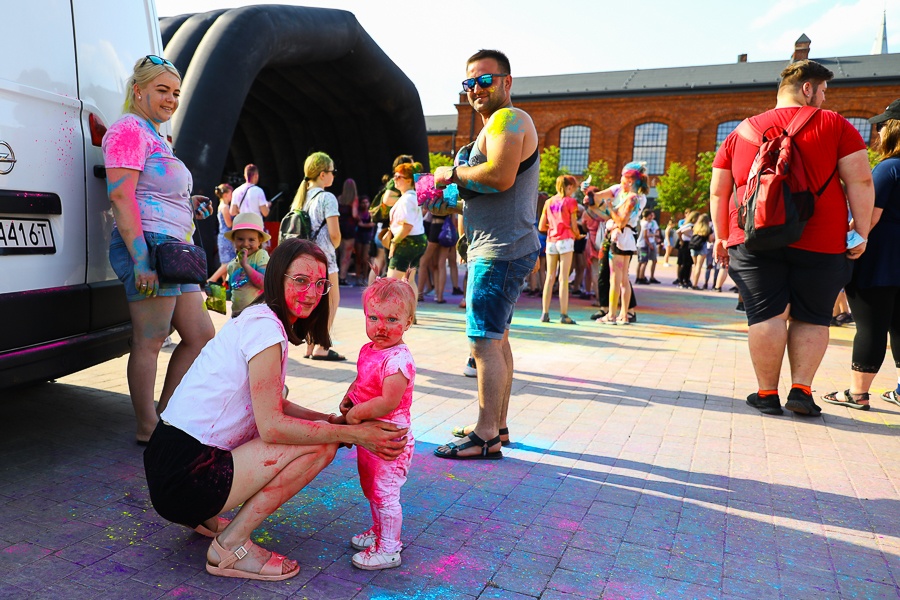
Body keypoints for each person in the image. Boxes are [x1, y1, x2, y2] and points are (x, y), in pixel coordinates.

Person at [142, 238, 409, 582]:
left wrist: (328, 420)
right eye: (300, 280)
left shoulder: (258, 318)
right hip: (185, 478)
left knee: (321, 433)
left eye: (319, 284)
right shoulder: (265, 328)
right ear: (277, 277)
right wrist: (353, 433)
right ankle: (230, 546)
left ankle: (207, 516)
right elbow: (272, 426)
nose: (311, 293)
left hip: (168, 465)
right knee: (322, 445)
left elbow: (272, 403)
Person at [710, 59, 874, 417]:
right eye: (824, 92)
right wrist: (860, 231)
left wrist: (722, 236)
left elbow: (720, 192)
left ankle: (766, 394)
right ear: (807, 88)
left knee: (765, 314)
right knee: (813, 316)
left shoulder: (741, 131)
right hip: (822, 238)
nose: (825, 100)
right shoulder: (836, 125)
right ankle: (800, 391)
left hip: (753, 236)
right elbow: (860, 181)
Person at [429, 49, 540, 459]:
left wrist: (451, 173)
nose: (476, 88)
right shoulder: (493, 127)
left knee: (482, 343)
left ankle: (485, 435)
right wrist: (446, 195)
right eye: (469, 82)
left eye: (485, 80)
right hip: (498, 244)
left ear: (506, 82)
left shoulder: (509, 119)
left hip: (501, 249)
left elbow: (499, 174)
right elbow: (488, 189)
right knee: (498, 338)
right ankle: (498, 424)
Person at [103, 55, 216, 445]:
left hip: (172, 249)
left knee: (201, 334)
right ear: (139, 91)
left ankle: (166, 415)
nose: (171, 99)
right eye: (162, 90)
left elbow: (154, 190)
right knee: (149, 340)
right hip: (148, 247)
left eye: (176, 93)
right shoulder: (128, 131)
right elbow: (120, 195)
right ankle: (148, 426)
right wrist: (140, 260)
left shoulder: (153, 134)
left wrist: (190, 202)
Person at [822, 100, 900, 410]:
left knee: (871, 326)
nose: (878, 131)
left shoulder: (889, 168)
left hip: (880, 258)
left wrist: (849, 235)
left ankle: (857, 393)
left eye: (883, 125)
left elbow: (870, 216)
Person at [338, 277, 417, 570]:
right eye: (374, 317)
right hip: (369, 435)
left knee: (385, 493)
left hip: (389, 439)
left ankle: (389, 548)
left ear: (408, 322)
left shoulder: (398, 359)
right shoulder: (369, 349)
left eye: (391, 319)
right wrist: (350, 396)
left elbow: (388, 401)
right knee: (371, 487)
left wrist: (356, 415)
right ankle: (380, 531)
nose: (380, 326)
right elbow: (362, 379)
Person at [291, 152, 344, 360]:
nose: (334, 175)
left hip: (305, 258)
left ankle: (309, 345)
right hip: (325, 259)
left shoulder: (301, 198)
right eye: (332, 171)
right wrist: (335, 245)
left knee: (312, 302)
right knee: (331, 301)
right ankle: (322, 346)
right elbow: (334, 234)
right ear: (323, 174)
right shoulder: (326, 198)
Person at [593, 162, 649, 325]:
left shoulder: (631, 198)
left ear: (630, 181)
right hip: (628, 239)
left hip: (620, 239)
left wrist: (609, 209)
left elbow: (621, 221)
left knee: (615, 279)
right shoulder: (635, 197)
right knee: (624, 279)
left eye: (623, 179)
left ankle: (611, 314)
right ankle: (624, 314)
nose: (620, 182)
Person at [538, 175, 581, 324]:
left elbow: (541, 226)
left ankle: (545, 313)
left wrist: (553, 227)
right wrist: (578, 235)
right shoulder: (571, 202)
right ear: (569, 187)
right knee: (563, 278)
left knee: (550, 277)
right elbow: (574, 225)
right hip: (566, 240)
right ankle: (564, 314)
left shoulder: (548, 202)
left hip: (551, 240)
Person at [385, 162, 428, 299]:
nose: (395, 179)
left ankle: (392, 313)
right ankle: (410, 312)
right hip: (416, 241)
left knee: (391, 283)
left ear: (409, 180)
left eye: (399, 177)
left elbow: (407, 226)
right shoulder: (411, 197)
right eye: (394, 176)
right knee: (409, 280)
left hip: (407, 242)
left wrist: (394, 242)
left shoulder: (407, 199)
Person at [226, 213, 270, 318]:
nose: (245, 244)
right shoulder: (232, 264)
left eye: (251, 240)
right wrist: (216, 293)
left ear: (259, 241)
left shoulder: (260, 255)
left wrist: (245, 265)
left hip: (257, 313)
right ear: (234, 240)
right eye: (240, 239)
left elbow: (264, 284)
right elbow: (234, 292)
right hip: (237, 315)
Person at [208, 183, 234, 285]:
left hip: (222, 237)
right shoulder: (225, 207)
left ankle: (225, 285)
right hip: (226, 237)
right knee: (228, 263)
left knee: (224, 263)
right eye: (231, 194)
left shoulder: (221, 206)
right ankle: (212, 279)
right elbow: (229, 224)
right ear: (226, 194)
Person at [337, 178, 359, 286]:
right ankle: (342, 277)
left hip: (339, 227)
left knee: (338, 253)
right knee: (346, 255)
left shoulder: (339, 198)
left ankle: (336, 276)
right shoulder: (354, 199)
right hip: (349, 228)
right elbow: (355, 215)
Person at [635, 208, 660, 284]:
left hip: (641, 244)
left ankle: (639, 277)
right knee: (644, 262)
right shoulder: (645, 223)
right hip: (644, 245)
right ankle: (641, 277)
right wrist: (649, 244)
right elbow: (645, 235)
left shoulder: (643, 222)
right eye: (650, 215)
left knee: (641, 261)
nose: (651, 217)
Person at [354, 195, 375, 286]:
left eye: (366, 202)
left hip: (367, 236)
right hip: (358, 236)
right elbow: (357, 222)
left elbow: (372, 224)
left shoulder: (371, 213)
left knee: (365, 258)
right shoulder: (358, 213)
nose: (365, 204)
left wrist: (363, 225)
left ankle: (365, 277)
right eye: (363, 202)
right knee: (358, 257)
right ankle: (358, 277)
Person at [689, 214, 713, 290]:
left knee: (695, 266)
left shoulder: (695, 227)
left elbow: (683, 231)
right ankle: (695, 284)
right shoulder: (708, 229)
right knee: (698, 266)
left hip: (693, 247)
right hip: (702, 247)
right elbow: (710, 240)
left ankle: (693, 282)